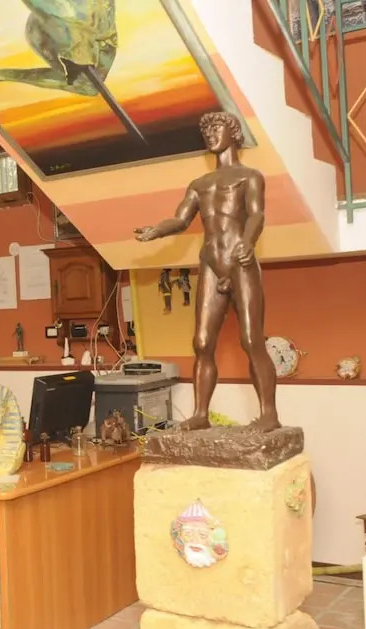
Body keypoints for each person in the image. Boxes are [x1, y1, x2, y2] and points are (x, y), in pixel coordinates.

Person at [133, 111, 280, 432]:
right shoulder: (199, 185)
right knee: (201, 343)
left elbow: (257, 214)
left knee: (251, 340)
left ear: (233, 134)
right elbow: (181, 220)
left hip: (240, 262)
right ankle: (201, 413)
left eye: (217, 128)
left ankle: (269, 413)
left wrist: (248, 241)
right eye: (207, 131)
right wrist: (156, 230)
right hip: (211, 263)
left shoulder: (250, 176)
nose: (211, 134)